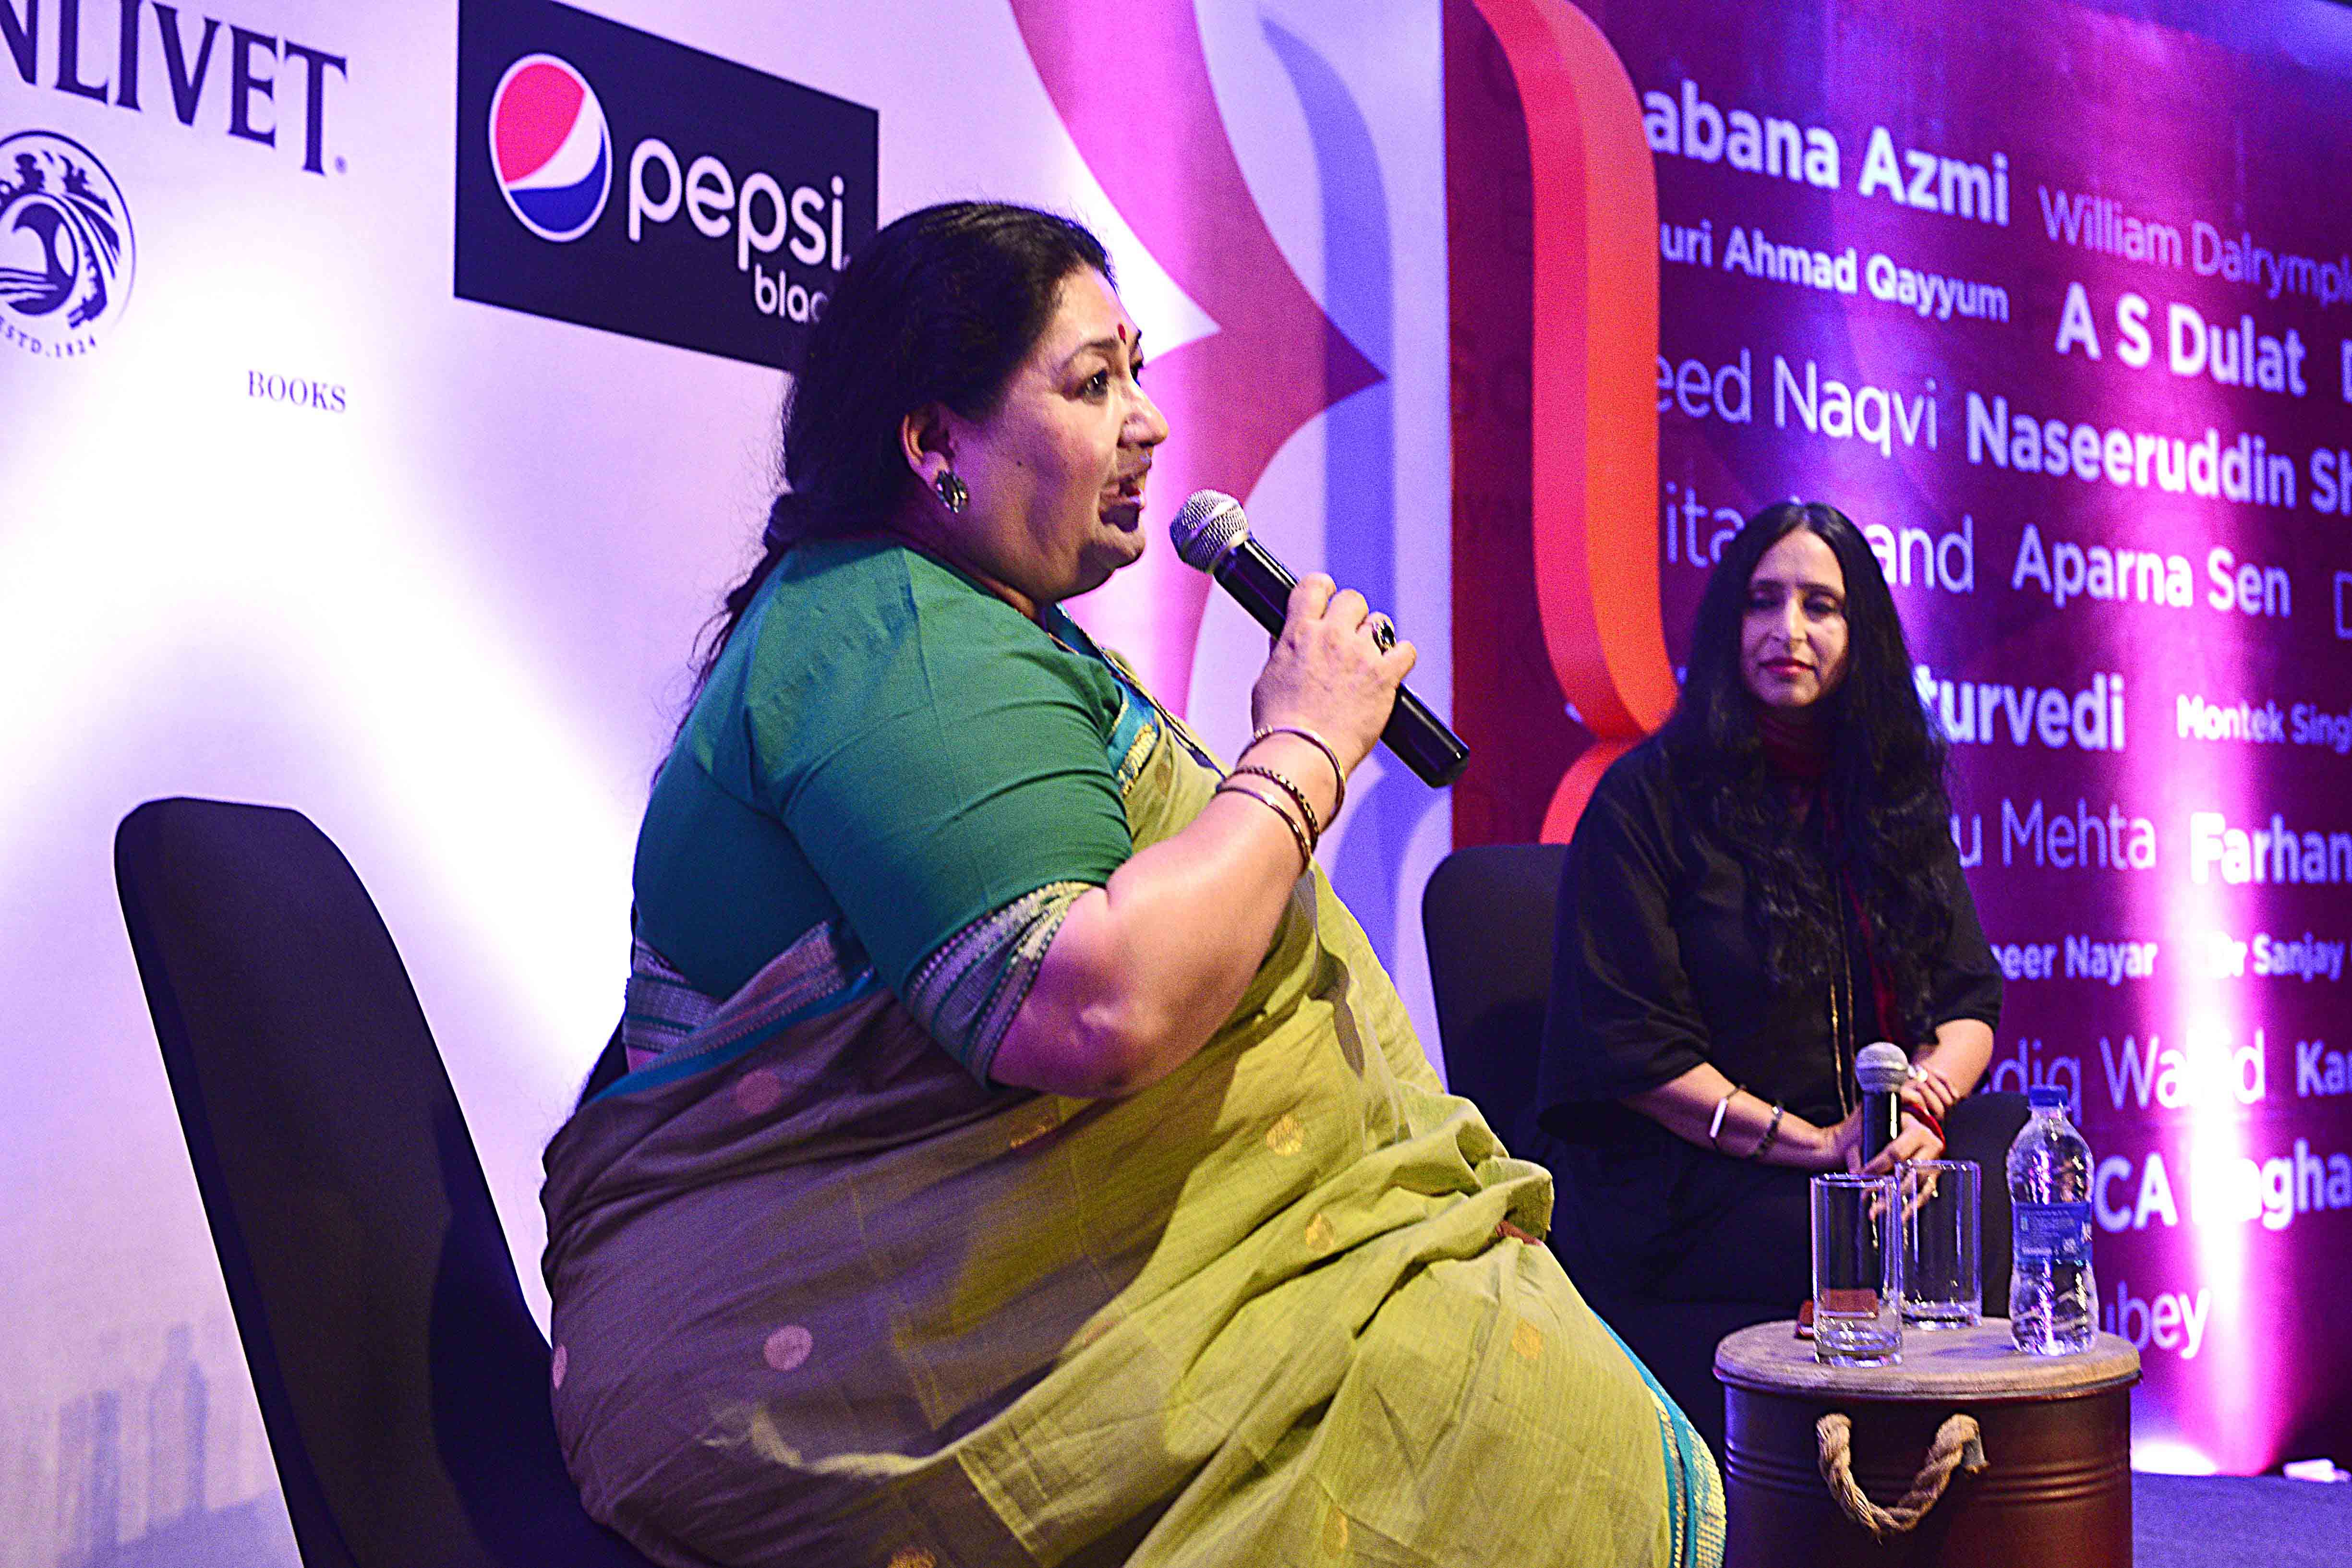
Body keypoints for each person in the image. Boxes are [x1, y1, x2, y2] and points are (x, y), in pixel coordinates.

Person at [540, 202, 1722, 1568]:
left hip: (997, 1313)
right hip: (840, 1375)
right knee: (1495, 1432)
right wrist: (1304, 744)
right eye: (1092, 382)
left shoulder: (973, 627)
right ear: (933, 443)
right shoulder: (894, 632)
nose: (1148, 423)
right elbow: (1093, 1005)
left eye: (1137, 373)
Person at [1532, 501, 2002, 1443]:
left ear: (1859, 634)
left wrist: (1919, 1111)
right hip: (1695, 1171)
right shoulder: (1648, 798)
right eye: (1763, 601)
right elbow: (1634, 1054)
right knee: (1850, 1228)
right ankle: (1822, 1471)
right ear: (1727, 624)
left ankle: (1964, 1475)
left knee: (1991, 1160)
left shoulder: (1890, 796)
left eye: (1819, 606)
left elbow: (1966, 1001)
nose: (1788, 629)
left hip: (1862, 1155)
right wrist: (1817, 1145)